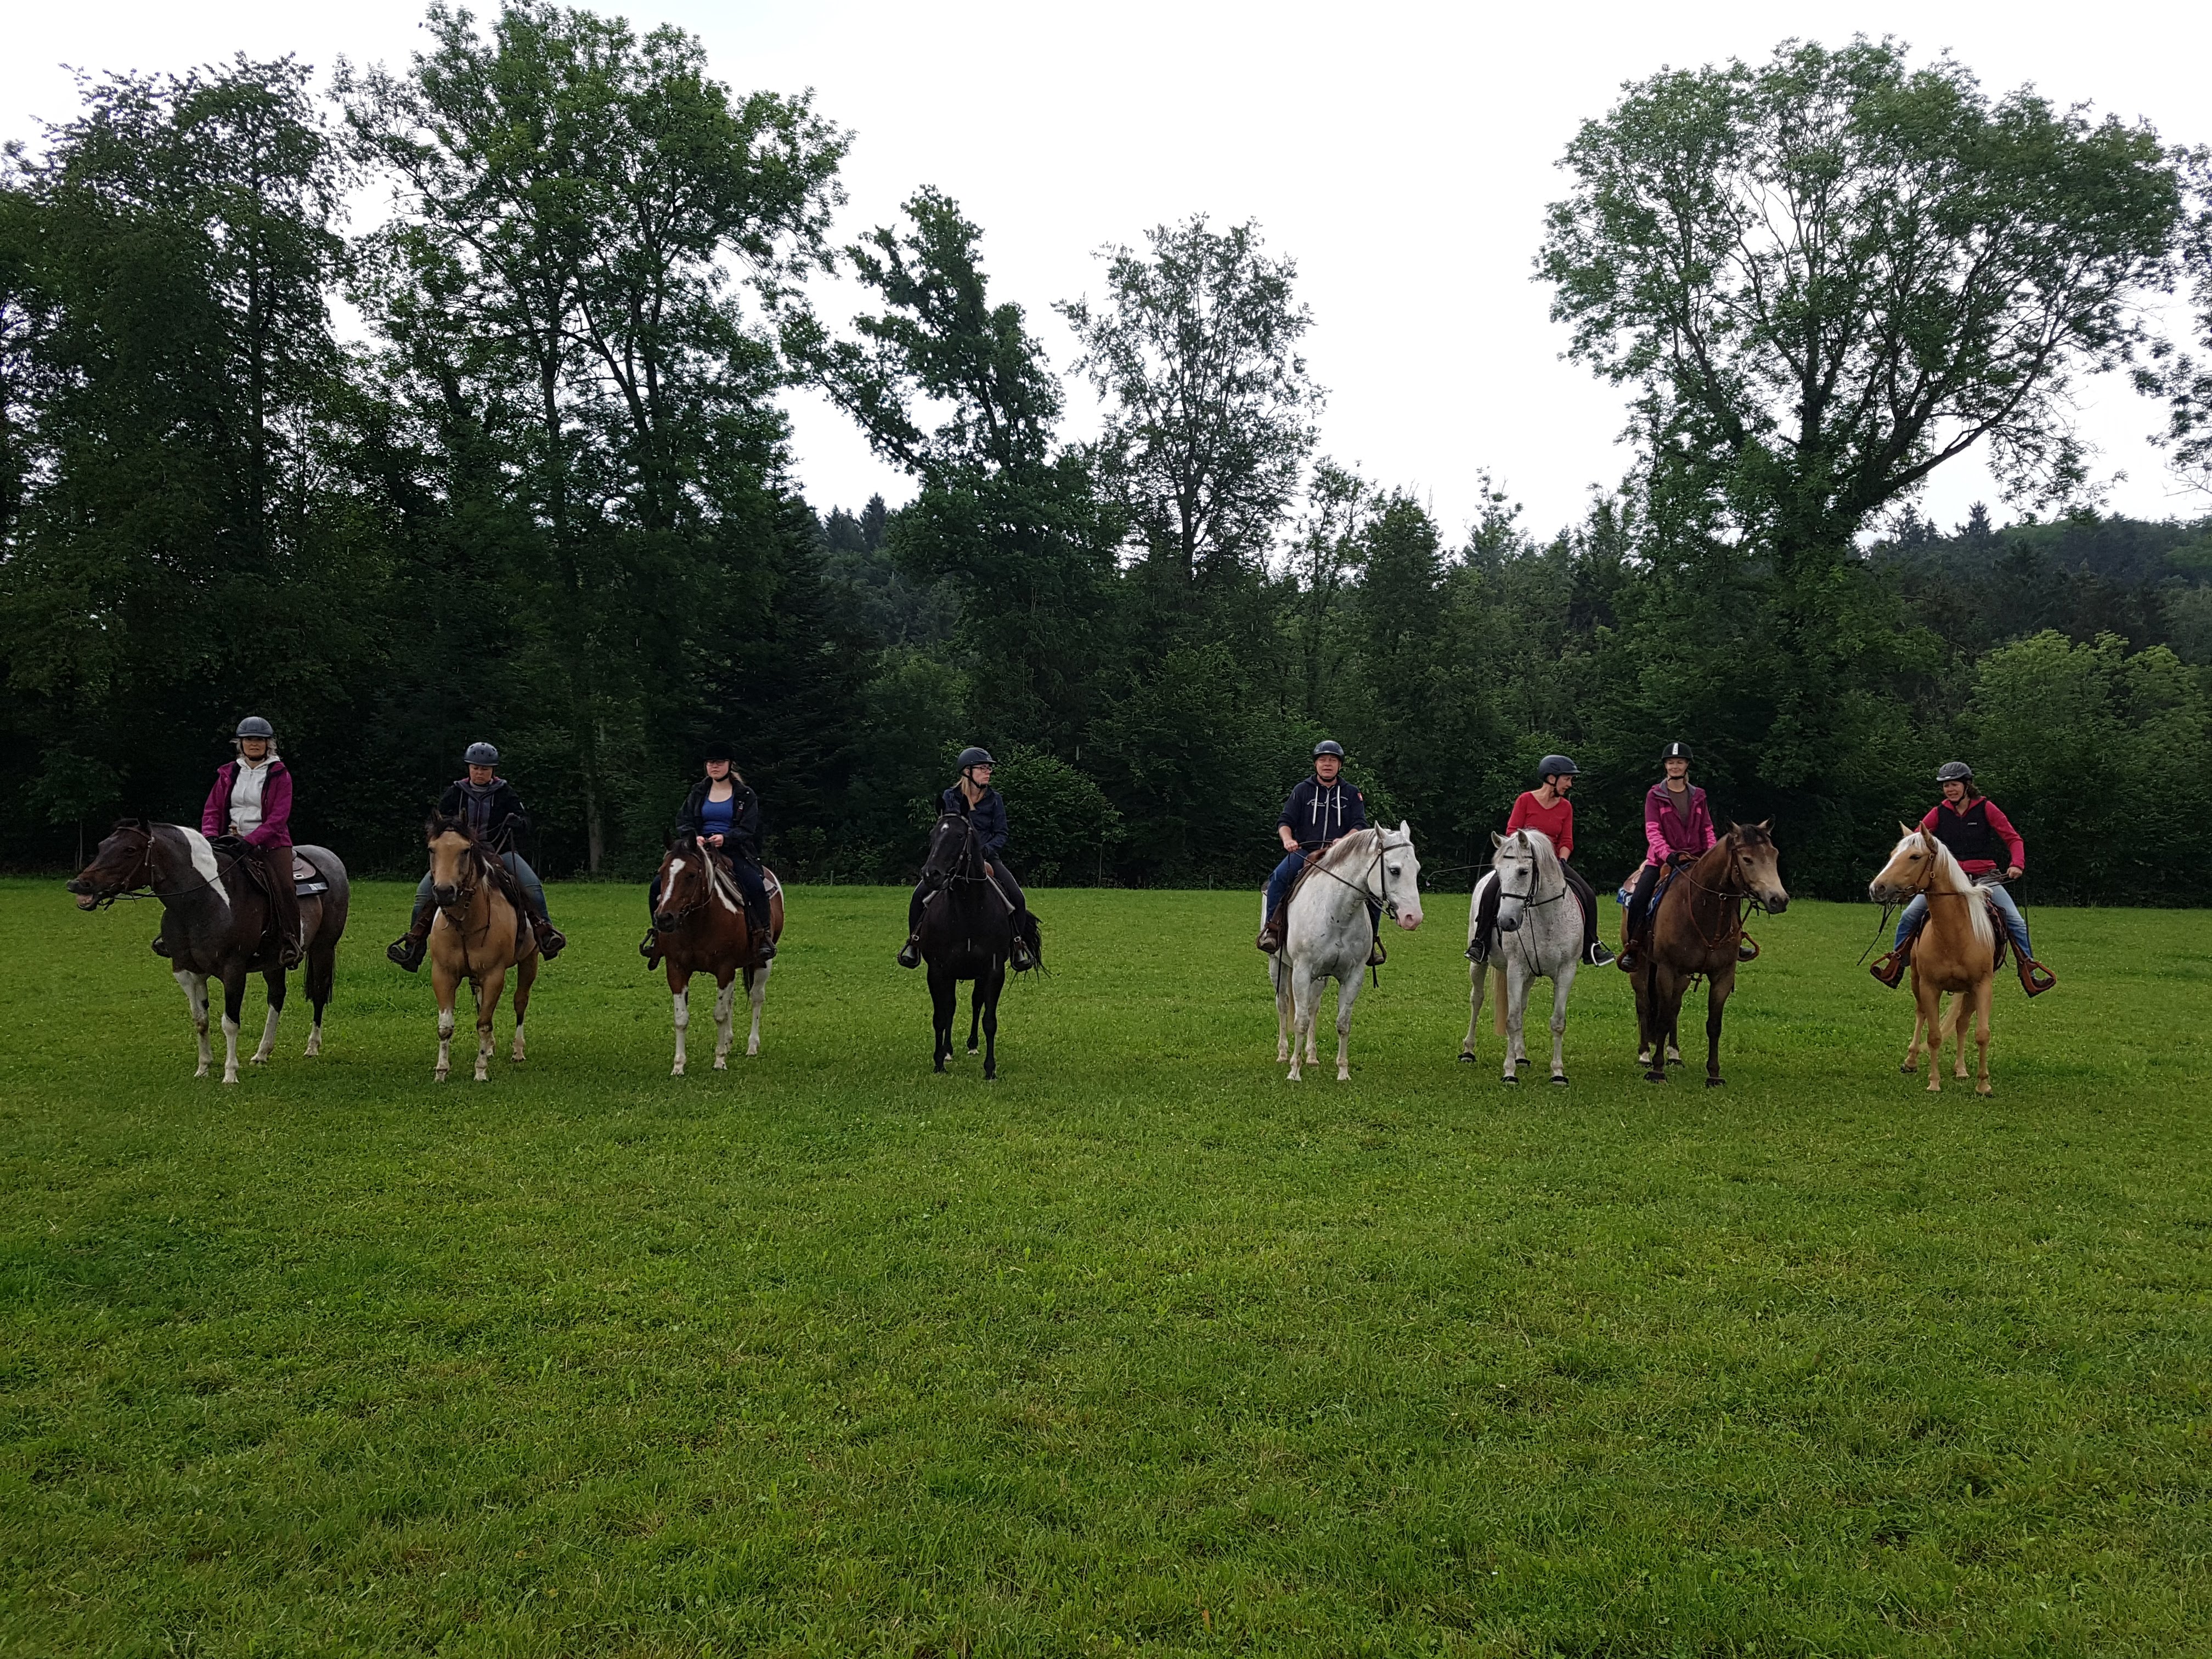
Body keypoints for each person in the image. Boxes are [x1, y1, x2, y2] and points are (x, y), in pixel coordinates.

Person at [1870, 761, 2056, 996]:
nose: (1950, 789)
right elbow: (1916, 841)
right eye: (1946, 785)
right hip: (1949, 879)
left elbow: (2013, 838)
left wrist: (2017, 864)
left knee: (2015, 920)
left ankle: (2029, 971)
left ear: (1967, 785)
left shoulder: (1986, 808)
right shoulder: (1939, 812)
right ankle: (1896, 965)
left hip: (1984, 878)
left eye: (1955, 784)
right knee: (1909, 916)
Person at [385, 742, 568, 970]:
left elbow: (526, 821)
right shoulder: (455, 792)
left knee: (531, 885)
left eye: (485, 769)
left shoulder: (505, 792)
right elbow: (436, 823)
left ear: (493, 770)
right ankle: (414, 946)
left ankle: (546, 933)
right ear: (469, 768)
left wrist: (518, 822)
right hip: (459, 855)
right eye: (475, 768)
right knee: (423, 894)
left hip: (498, 850)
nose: (479, 773)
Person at [1615, 741, 1756, 972]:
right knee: (1640, 897)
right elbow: (1653, 830)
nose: (1675, 766)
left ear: (1687, 765)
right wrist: (1667, 854)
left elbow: (1707, 828)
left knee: (1732, 891)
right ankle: (1634, 946)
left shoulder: (1699, 795)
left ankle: (1735, 940)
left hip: (1697, 859)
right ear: (1665, 766)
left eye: (1679, 762)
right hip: (1663, 860)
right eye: (1671, 762)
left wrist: (1711, 854)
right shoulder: (1655, 795)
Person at [1466, 755, 1615, 970]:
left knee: (1588, 895)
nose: (1570, 784)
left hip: (1553, 864)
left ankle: (1591, 945)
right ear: (1551, 778)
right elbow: (1512, 832)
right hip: (1523, 862)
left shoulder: (1566, 807)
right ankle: (1480, 943)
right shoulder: (1525, 800)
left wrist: (1561, 861)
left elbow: (1567, 841)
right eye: (1567, 779)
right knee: (1490, 892)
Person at [896, 747, 1038, 972]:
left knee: (1018, 899)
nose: (988, 772)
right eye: (983, 768)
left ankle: (1017, 946)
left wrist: (984, 852)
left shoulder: (995, 799)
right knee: (918, 897)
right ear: (967, 771)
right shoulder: (950, 797)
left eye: (989, 768)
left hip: (987, 858)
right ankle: (914, 944)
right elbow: (947, 829)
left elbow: (1001, 833)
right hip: (953, 860)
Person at [641, 742, 775, 969]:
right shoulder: (698, 792)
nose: (714, 766)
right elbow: (683, 820)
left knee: (754, 885)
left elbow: (748, 827)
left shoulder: (745, 795)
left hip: (733, 850)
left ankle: (762, 937)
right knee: (657, 885)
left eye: (719, 762)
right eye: (710, 762)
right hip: (697, 849)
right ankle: (658, 935)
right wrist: (695, 837)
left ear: (730, 765)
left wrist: (726, 838)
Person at [1255, 740, 1387, 966]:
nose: (1327, 764)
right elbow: (1285, 821)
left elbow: (1359, 824)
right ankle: (1272, 931)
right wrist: (1288, 840)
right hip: (1305, 851)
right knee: (1278, 878)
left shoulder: (1352, 793)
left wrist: (1345, 840)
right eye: (1323, 760)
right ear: (1316, 764)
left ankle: (1371, 941)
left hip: (1341, 855)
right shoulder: (1302, 790)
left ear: (1340, 765)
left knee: (1373, 890)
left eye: (1333, 760)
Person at [187, 715, 301, 968]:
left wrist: (251, 841)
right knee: (192, 877)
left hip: (271, 843)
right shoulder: (228, 773)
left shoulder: (280, 774)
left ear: (268, 744)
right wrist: (210, 836)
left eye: (260, 740)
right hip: (229, 840)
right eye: (249, 739)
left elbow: (279, 817)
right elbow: (212, 809)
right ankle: (177, 937)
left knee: (285, 887)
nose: (254, 744)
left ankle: (290, 941)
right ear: (241, 743)